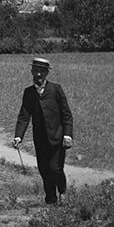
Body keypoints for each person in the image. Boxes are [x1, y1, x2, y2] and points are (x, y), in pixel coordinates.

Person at [13, 57, 74, 205]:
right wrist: (18, 136)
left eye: (41, 71)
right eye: (35, 71)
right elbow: (24, 116)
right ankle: (51, 200)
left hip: (57, 137)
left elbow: (66, 114)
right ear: (31, 72)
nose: (38, 74)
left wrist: (67, 135)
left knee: (55, 168)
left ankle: (62, 191)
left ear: (47, 73)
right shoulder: (29, 92)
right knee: (44, 170)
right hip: (40, 140)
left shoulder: (56, 89)